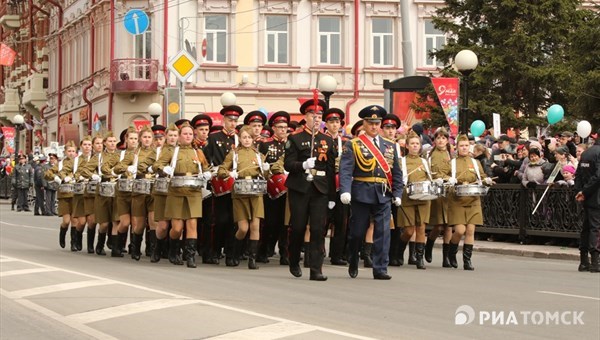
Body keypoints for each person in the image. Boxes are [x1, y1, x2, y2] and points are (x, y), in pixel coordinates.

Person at [339, 105, 404, 280]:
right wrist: (345, 191)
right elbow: (345, 170)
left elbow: (396, 171)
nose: (374, 126)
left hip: (383, 193)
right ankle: (353, 259)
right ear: (364, 123)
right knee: (357, 233)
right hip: (361, 193)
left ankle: (380, 268)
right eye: (370, 123)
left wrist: (398, 193)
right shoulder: (353, 144)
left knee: (383, 232)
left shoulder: (390, 146)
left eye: (377, 123)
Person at [284, 98, 336, 281]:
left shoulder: (327, 140)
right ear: (305, 116)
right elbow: (288, 164)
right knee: (298, 227)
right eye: (313, 115)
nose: (316, 118)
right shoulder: (295, 138)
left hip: (320, 189)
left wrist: (331, 195)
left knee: (317, 229)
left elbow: (330, 169)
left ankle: (316, 269)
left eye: (319, 115)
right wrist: (303, 164)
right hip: (300, 187)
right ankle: (293, 259)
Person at [156, 122, 211, 268]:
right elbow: (157, 165)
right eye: (185, 134)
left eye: (190, 134)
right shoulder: (172, 152)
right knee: (177, 227)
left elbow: (206, 167)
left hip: (193, 191)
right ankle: (174, 250)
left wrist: (207, 173)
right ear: (180, 136)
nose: (188, 136)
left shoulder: (197, 152)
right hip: (176, 191)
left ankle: (190, 256)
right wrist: (164, 169)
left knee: (192, 224)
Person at [218, 126, 269, 269]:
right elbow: (222, 169)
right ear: (239, 138)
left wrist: (266, 170)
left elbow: (266, 175)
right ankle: (233, 253)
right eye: (244, 137)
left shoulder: (258, 155)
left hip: (256, 192)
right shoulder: (234, 154)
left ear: (254, 139)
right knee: (243, 228)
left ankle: (252, 259)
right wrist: (229, 174)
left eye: (250, 137)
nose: (247, 140)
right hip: (240, 192)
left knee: (255, 226)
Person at [446, 135, 494, 270]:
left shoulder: (475, 162)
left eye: (466, 145)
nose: (464, 148)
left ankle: (467, 260)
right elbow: (445, 178)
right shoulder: (452, 163)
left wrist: (486, 180)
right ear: (457, 147)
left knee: (471, 230)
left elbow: (482, 177)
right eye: (461, 146)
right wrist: (450, 181)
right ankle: (452, 252)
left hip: (473, 199)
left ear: (470, 147)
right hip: (457, 199)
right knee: (460, 230)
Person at [205, 105, 243, 266]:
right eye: (230, 120)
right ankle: (214, 250)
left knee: (234, 219)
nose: (233, 124)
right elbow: (205, 159)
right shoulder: (214, 138)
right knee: (219, 220)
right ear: (223, 120)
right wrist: (211, 172)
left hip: (235, 182)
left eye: (235, 121)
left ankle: (230, 251)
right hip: (219, 183)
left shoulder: (239, 139)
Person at [396, 132, 433, 270]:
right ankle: (400, 251)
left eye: (417, 144)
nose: (415, 146)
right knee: (409, 231)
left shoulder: (424, 161)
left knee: (421, 227)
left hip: (423, 197)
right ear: (407, 146)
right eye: (412, 143)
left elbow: (429, 178)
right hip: (408, 197)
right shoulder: (402, 161)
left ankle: (419, 258)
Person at [259, 110, 291, 265]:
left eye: (285, 127)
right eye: (279, 127)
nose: (282, 130)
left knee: (286, 222)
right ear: (273, 128)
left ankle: (285, 253)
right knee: (270, 222)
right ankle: (263, 250)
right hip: (270, 187)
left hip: (289, 187)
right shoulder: (265, 145)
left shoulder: (292, 144)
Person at [324, 108, 350, 266]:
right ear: (326, 124)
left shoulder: (346, 142)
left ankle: (337, 254)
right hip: (325, 184)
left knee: (341, 221)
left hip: (341, 184)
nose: (334, 125)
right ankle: (319, 250)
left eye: (337, 122)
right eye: (331, 122)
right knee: (323, 221)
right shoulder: (321, 139)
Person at [424, 128, 453, 267]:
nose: (441, 140)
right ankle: (429, 244)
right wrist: (435, 179)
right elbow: (426, 171)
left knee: (448, 225)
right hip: (436, 191)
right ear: (434, 140)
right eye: (438, 138)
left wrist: (452, 179)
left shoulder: (451, 155)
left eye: (443, 138)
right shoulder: (429, 155)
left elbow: (454, 171)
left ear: (447, 140)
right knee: (439, 225)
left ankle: (445, 257)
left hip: (449, 191)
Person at [151, 124, 178, 262]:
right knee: (162, 225)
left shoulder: (182, 150)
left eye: (175, 135)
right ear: (166, 136)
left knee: (176, 224)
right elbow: (155, 165)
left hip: (176, 190)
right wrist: (163, 168)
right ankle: (157, 248)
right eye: (170, 135)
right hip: (163, 190)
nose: (173, 138)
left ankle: (173, 251)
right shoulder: (162, 150)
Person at [574, 128, 600, 273]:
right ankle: (595, 262)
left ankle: (584, 261)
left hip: (587, 197)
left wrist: (580, 191)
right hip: (596, 196)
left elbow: (578, 175)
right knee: (595, 228)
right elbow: (598, 176)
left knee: (586, 228)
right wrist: (583, 191)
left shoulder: (586, 153)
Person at [45, 141, 78, 250]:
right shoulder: (60, 164)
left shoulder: (79, 163)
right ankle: (62, 233)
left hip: (76, 194)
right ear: (65, 152)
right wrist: (56, 178)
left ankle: (73, 242)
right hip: (64, 195)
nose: (71, 153)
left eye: (73, 151)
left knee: (75, 220)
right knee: (66, 221)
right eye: (69, 151)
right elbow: (47, 173)